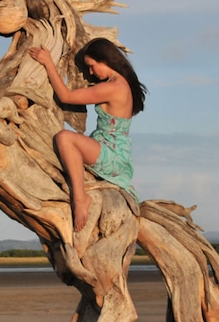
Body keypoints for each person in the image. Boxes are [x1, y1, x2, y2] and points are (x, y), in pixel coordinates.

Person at [29, 37, 147, 232]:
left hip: (112, 154)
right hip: (111, 147)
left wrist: (49, 63)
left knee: (64, 138)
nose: (90, 72)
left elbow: (66, 96)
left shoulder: (113, 87)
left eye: (92, 66)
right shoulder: (119, 83)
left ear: (105, 60)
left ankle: (80, 198)